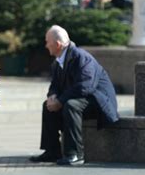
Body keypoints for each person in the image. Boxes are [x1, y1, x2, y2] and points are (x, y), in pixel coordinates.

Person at [29, 25, 119, 165]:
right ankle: (52, 151)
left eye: (47, 41)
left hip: (98, 101)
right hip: (81, 98)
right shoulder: (58, 62)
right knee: (48, 107)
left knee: (71, 105)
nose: (46, 45)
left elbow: (85, 87)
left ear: (58, 44)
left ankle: (75, 154)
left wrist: (60, 100)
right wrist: (52, 96)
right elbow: (55, 85)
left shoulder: (81, 57)